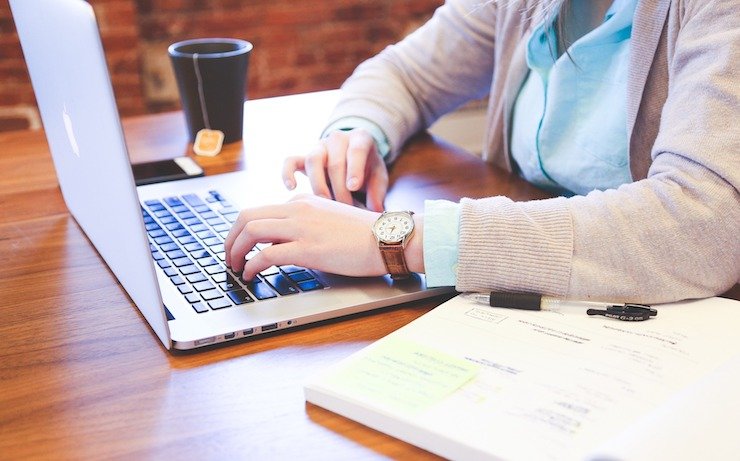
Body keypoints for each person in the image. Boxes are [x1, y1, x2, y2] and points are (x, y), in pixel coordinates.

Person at [225, 0, 739, 304]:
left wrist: (398, 241)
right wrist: (357, 132)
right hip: (540, 302)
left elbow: (707, 221)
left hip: (671, 323)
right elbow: (406, 73)